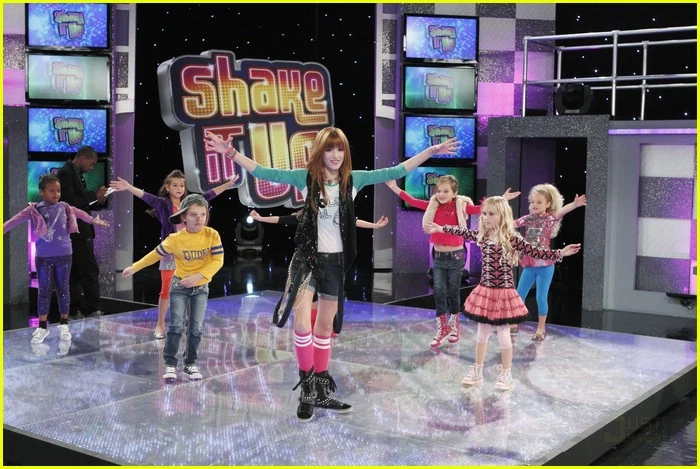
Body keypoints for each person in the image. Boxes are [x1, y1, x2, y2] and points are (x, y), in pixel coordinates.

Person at [205, 126, 460, 421]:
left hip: (336, 264)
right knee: (302, 324)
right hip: (307, 261)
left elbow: (397, 170)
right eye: (329, 149)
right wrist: (230, 152)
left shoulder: (354, 179)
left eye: (340, 149)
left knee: (324, 329)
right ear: (320, 152)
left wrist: (432, 151)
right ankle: (307, 390)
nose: (335, 154)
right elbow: (263, 172)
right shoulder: (305, 178)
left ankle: (321, 392)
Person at [423, 196, 580, 391]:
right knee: (482, 333)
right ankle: (477, 371)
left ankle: (506, 373)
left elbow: (536, 252)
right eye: (484, 214)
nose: (486, 217)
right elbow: (464, 232)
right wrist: (441, 228)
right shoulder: (483, 236)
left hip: (504, 293)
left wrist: (560, 253)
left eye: (491, 214)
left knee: (503, 334)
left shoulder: (512, 239)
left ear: (502, 215)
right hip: (485, 292)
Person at [385, 178, 520, 348]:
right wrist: (395, 188)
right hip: (439, 257)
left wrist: (503, 198)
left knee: (453, 292)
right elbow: (412, 201)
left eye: (446, 191)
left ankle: (454, 326)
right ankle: (443, 328)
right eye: (438, 191)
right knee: (439, 292)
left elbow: (483, 208)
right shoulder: (433, 205)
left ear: (454, 193)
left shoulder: (461, 206)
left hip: (456, 256)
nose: (441, 194)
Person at [110, 171, 237, 338]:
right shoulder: (163, 203)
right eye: (175, 185)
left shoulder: (189, 203)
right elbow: (146, 196)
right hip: (171, 251)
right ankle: (160, 324)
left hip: (190, 253)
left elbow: (209, 195)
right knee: (166, 290)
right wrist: (128, 187)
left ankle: (187, 323)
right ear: (167, 187)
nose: (179, 188)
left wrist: (228, 185)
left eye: (182, 185)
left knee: (192, 288)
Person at [122, 194, 224, 381]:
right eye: (193, 215)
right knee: (176, 325)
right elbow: (155, 255)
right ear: (183, 217)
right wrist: (135, 267)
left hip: (201, 287)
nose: (199, 218)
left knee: (195, 328)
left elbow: (218, 260)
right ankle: (170, 364)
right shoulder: (175, 239)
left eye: (202, 214)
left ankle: (190, 364)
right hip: (179, 286)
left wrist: (199, 277)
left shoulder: (212, 235)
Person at [3, 174, 109, 343]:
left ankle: (64, 324)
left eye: (58, 191)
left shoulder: (64, 207)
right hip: (43, 257)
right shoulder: (33, 209)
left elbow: (80, 213)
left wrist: (92, 220)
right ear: (42, 192)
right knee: (44, 291)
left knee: (63, 289)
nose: (56, 194)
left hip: (64, 255)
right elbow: (14, 221)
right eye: (52, 191)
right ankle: (42, 327)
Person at [250, 208, 389, 336]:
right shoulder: (305, 215)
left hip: (329, 263)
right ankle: (310, 328)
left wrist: (375, 226)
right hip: (307, 263)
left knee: (326, 299)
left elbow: (353, 222)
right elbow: (281, 219)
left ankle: (323, 327)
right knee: (309, 298)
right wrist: (260, 218)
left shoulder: (334, 215)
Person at [513, 184, 587, 341]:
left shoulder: (549, 219)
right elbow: (510, 224)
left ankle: (541, 329)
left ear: (547, 204)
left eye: (539, 202)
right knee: (519, 295)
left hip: (545, 266)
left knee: (541, 298)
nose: (534, 205)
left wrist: (575, 204)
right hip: (530, 265)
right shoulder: (527, 219)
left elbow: (562, 211)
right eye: (532, 202)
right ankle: (514, 323)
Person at [56, 146, 109, 320]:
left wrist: (97, 199)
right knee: (88, 270)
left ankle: (74, 310)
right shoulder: (66, 173)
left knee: (77, 272)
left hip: (80, 230)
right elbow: (70, 202)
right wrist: (93, 194)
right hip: (77, 232)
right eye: (91, 164)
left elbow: (80, 203)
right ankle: (92, 309)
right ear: (83, 158)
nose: (91, 168)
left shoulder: (75, 173)